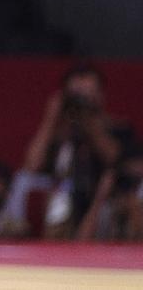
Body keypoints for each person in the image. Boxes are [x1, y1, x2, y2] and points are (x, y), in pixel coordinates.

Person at [22, 63, 128, 239]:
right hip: (62, 211)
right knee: (57, 205)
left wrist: (89, 122)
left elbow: (115, 159)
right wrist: (50, 119)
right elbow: (31, 166)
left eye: (87, 94)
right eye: (76, 95)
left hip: (106, 207)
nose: (81, 100)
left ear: (100, 95)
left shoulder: (118, 129)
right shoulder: (60, 135)